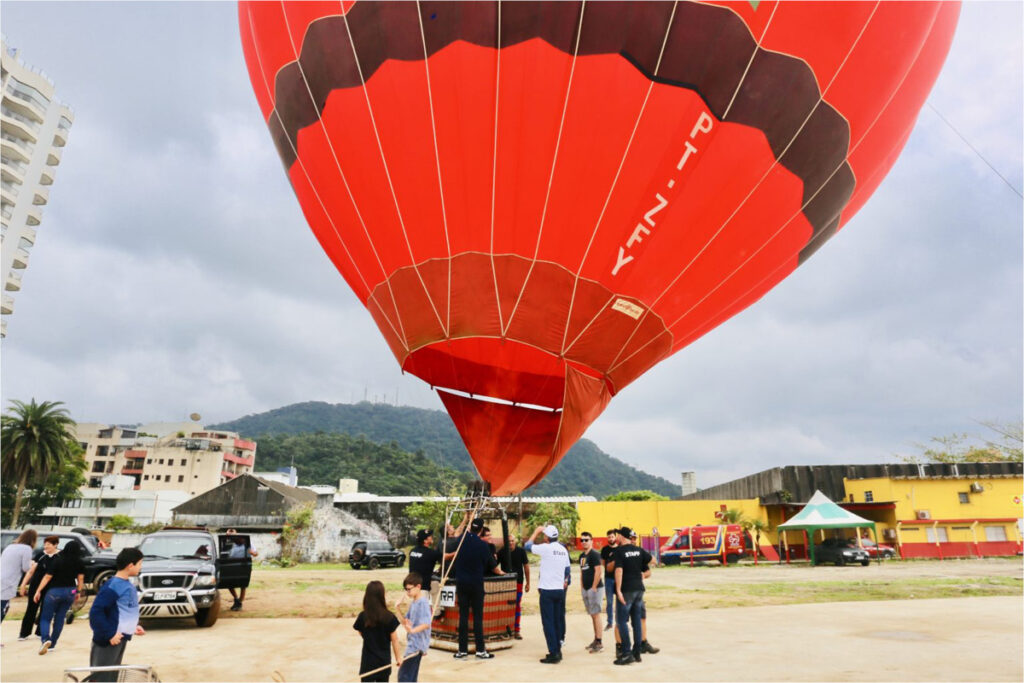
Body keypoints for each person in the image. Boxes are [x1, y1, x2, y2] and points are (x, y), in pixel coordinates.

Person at [88, 547, 146, 682]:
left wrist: (132, 627)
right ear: (130, 565)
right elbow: (96, 612)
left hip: (120, 638)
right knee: (102, 678)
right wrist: (109, 634)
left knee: (112, 676)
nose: (141, 566)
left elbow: (124, 609)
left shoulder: (126, 584)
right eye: (140, 563)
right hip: (108, 641)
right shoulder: (113, 586)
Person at [452, 517, 502, 660]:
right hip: (476, 584)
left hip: (461, 583)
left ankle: (462, 651)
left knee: (463, 616)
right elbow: (494, 568)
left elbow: (457, 534)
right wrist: (503, 573)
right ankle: (480, 650)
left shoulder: (461, 540)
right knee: (477, 617)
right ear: (481, 530)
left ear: (470, 527)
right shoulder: (483, 546)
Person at [525, 524, 570, 664]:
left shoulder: (545, 548)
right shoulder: (563, 549)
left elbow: (527, 546)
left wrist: (535, 531)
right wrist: (564, 581)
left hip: (547, 591)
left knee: (548, 622)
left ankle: (554, 652)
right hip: (559, 590)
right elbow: (567, 570)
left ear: (546, 537)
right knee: (557, 621)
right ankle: (558, 648)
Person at [35, 538, 85, 655]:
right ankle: (53, 644)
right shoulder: (79, 562)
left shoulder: (58, 559)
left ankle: (45, 639)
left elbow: (47, 577)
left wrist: (38, 590)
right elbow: (80, 579)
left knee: (45, 618)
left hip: (54, 591)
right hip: (70, 592)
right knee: (60, 617)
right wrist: (78, 592)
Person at [612, 527, 652, 665]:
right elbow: (652, 559)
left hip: (627, 589)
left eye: (618, 535)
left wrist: (618, 590)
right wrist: (641, 573)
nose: (616, 537)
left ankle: (627, 653)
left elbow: (618, 570)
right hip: (639, 589)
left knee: (621, 621)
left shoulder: (619, 551)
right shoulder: (639, 550)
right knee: (636, 621)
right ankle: (637, 652)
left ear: (622, 537)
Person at [354, 580, 402, 682]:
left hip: (368, 664)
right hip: (383, 663)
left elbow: (360, 631)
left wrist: (369, 638)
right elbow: (395, 640)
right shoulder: (389, 617)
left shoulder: (363, 616)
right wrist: (398, 658)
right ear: (382, 596)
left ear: (367, 596)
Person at [19, 535, 59, 641]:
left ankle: (40, 632)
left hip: (50, 587)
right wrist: (23, 585)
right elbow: (31, 571)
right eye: (45, 544)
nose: (46, 546)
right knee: (31, 608)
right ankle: (24, 633)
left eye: (49, 544)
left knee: (45, 609)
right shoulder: (41, 555)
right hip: (35, 585)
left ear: (55, 545)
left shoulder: (59, 556)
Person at [1, 529, 37, 644]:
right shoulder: (27, 549)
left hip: (2, 577)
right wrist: (32, 564)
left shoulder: (10, 546)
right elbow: (26, 568)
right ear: (33, 540)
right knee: (2, 609)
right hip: (7, 583)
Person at [396, 572, 432, 682]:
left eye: (409, 589)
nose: (407, 592)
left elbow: (426, 624)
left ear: (418, 587)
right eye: (406, 589)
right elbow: (405, 622)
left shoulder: (423, 603)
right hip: (413, 644)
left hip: (416, 646)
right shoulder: (414, 603)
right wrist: (397, 608)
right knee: (410, 678)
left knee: (404, 677)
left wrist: (412, 630)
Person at [630, 529, 659, 656]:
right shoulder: (620, 553)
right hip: (625, 591)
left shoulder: (639, 554)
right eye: (631, 538)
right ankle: (622, 648)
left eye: (634, 538)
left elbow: (649, 570)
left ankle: (643, 642)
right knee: (622, 621)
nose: (633, 540)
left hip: (638, 591)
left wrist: (643, 574)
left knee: (642, 617)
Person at [498, 536, 529, 640]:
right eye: (508, 541)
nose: (511, 543)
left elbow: (526, 567)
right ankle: (505, 629)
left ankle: (516, 630)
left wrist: (528, 583)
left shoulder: (521, 551)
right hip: (505, 583)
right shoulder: (501, 552)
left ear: (515, 541)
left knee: (516, 606)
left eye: (512, 541)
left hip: (518, 582)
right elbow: (494, 565)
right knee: (505, 606)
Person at [578, 532, 604, 653]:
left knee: (596, 614)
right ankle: (595, 639)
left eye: (586, 540)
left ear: (591, 541)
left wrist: (593, 586)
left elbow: (598, 571)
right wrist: (582, 587)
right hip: (586, 589)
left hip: (595, 588)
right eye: (582, 540)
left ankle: (599, 642)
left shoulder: (594, 555)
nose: (584, 542)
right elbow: (582, 572)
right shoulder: (582, 556)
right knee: (592, 614)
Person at [225, 529, 258, 611]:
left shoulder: (247, 542)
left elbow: (256, 553)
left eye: (233, 536)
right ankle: (236, 599)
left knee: (243, 585)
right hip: (232, 566)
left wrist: (251, 552)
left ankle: (239, 602)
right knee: (228, 583)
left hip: (244, 565)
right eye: (230, 536)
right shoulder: (230, 544)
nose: (232, 538)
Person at [601, 529, 619, 632]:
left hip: (619, 578)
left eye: (612, 536)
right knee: (609, 601)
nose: (610, 538)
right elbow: (603, 563)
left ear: (615, 537)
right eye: (609, 537)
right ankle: (610, 622)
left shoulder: (620, 549)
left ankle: (621, 622)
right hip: (608, 579)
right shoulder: (605, 550)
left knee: (620, 601)